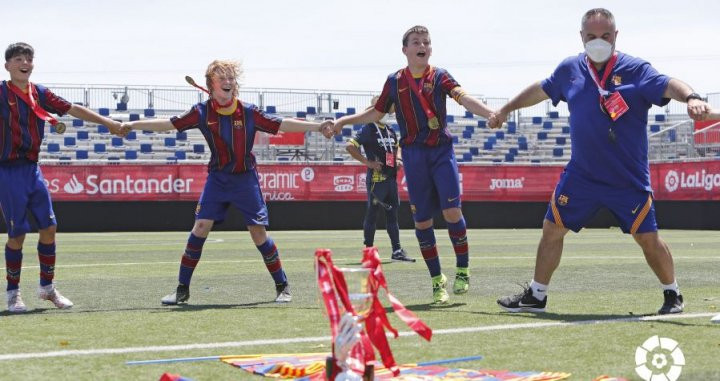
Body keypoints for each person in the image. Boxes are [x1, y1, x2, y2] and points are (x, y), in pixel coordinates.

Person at [492, 8, 711, 315]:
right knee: (552, 228)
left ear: (615, 36)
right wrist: (505, 109)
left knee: (648, 238)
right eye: (592, 36)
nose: (598, 42)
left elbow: (669, 83)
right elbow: (540, 89)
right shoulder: (569, 69)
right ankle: (537, 295)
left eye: (605, 36)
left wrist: (692, 97)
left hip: (627, 177)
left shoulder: (636, 69)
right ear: (581, 37)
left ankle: (672, 295)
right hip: (582, 175)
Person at [121, 60, 334, 305]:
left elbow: (281, 123)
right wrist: (133, 124)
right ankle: (181, 289)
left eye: (231, 78)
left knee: (258, 233)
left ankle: (282, 285)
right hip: (218, 178)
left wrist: (318, 126)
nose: (228, 82)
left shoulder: (249, 111)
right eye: (222, 78)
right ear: (210, 85)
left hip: (245, 178)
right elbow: (169, 124)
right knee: (200, 227)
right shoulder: (201, 112)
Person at [333, 26, 495, 304]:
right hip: (413, 156)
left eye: (427, 42)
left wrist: (489, 112)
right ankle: (436, 280)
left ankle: (463, 269)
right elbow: (377, 111)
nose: (422, 45)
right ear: (405, 49)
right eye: (416, 42)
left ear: (430, 48)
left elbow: (463, 98)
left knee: (452, 211)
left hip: (441, 151)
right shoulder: (394, 81)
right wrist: (343, 121)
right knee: (422, 220)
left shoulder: (440, 76)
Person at [1, 42, 125, 312]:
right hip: (8, 171)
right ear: (7, 65)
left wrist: (109, 123)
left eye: (29, 58)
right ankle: (13, 294)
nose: (25, 63)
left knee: (49, 228)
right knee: (18, 233)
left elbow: (72, 108)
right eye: (19, 58)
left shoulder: (40, 93)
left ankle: (47, 288)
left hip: (33, 169)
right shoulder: (1, 93)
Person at [346, 96, 414, 263]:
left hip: (391, 179)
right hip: (377, 181)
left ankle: (397, 251)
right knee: (372, 215)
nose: (388, 111)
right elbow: (350, 146)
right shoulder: (368, 128)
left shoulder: (390, 130)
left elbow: (397, 147)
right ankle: (368, 252)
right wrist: (367, 162)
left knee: (393, 215)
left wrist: (398, 159)